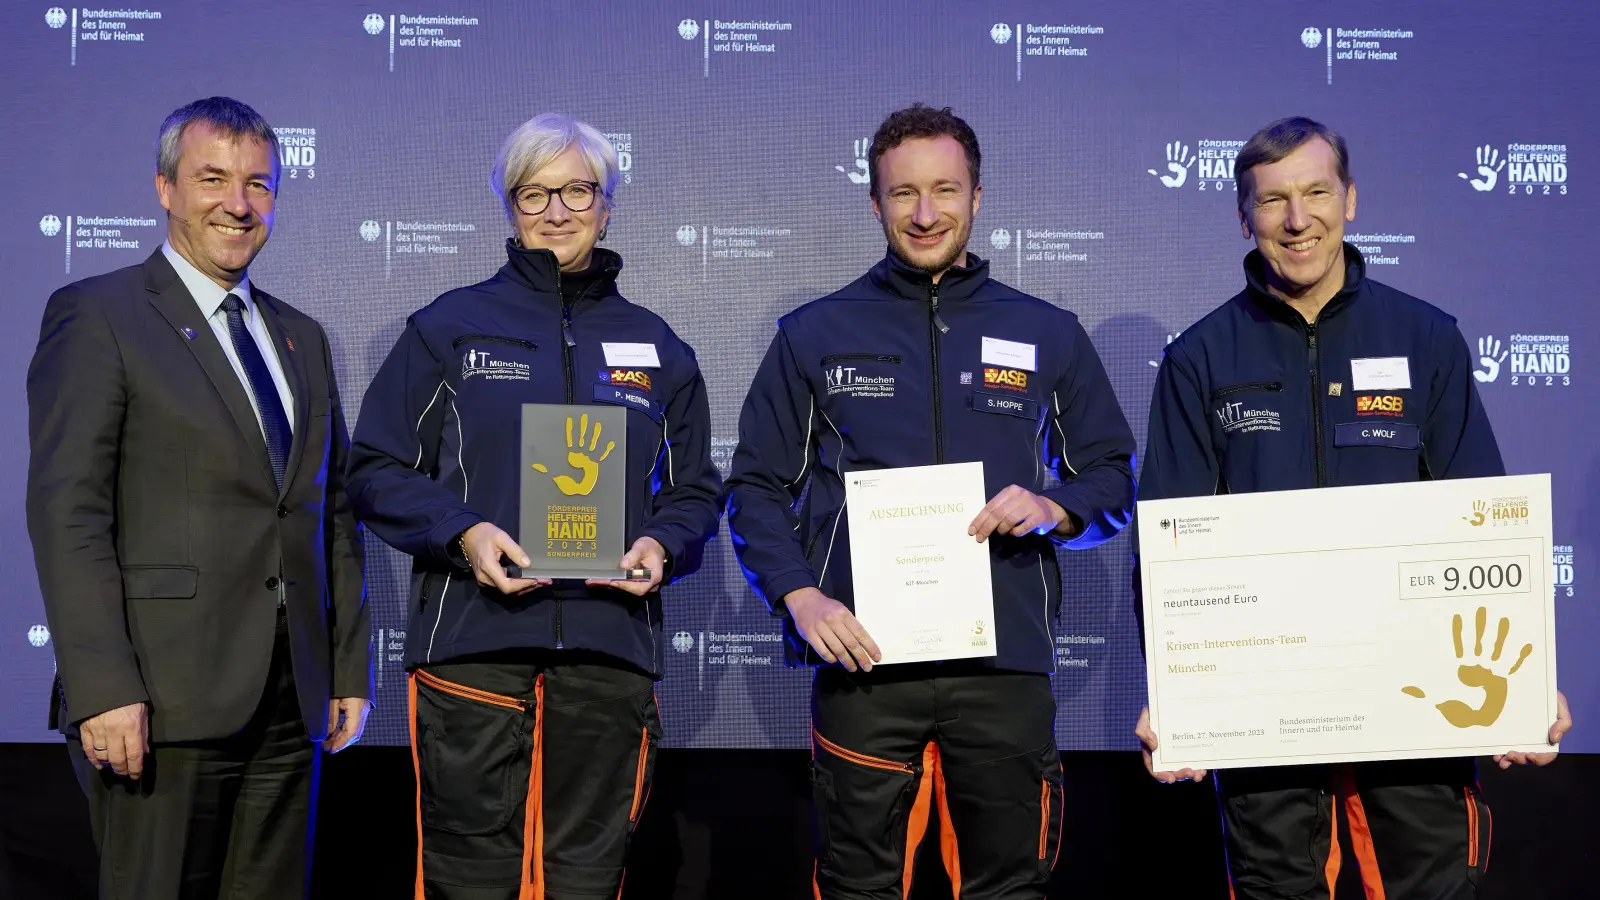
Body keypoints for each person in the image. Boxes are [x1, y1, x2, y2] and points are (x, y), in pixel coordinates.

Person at [1134, 115, 1573, 899]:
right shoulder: (1200, 357)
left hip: (1418, 705)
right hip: (1263, 712)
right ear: (1244, 216)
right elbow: (1167, 540)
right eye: (1272, 201)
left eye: (1315, 192)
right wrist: (1174, 695)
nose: (1297, 220)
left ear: (1351, 199)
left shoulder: (1426, 338)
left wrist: (1529, 676)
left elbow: (1481, 512)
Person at [726, 104, 1136, 899]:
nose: (924, 213)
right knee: (857, 887)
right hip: (865, 663)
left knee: (1009, 887)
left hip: (1004, 665)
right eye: (902, 193)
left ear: (977, 197)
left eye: (944, 190)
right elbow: (753, 487)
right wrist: (799, 596)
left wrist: (1055, 508)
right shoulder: (815, 332)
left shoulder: (1047, 331)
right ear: (873, 201)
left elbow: (1112, 479)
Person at [346, 112, 722, 900]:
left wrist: (663, 546)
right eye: (533, 194)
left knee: (587, 879)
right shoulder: (447, 328)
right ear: (509, 207)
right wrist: (464, 532)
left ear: (608, 201)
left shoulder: (659, 348)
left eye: (577, 190)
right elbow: (375, 469)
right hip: (473, 647)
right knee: (466, 878)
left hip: (608, 649)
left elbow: (693, 491)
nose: (557, 211)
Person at [25, 96, 371, 899]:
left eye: (259, 184)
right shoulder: (98, 314)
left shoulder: (301, 337)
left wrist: (347, 667)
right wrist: (104, 689)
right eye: (212, 178)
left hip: (293, 703)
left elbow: (332, 515)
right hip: (159, 699)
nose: (238, 203)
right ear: (165, 188)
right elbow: (68, 514)